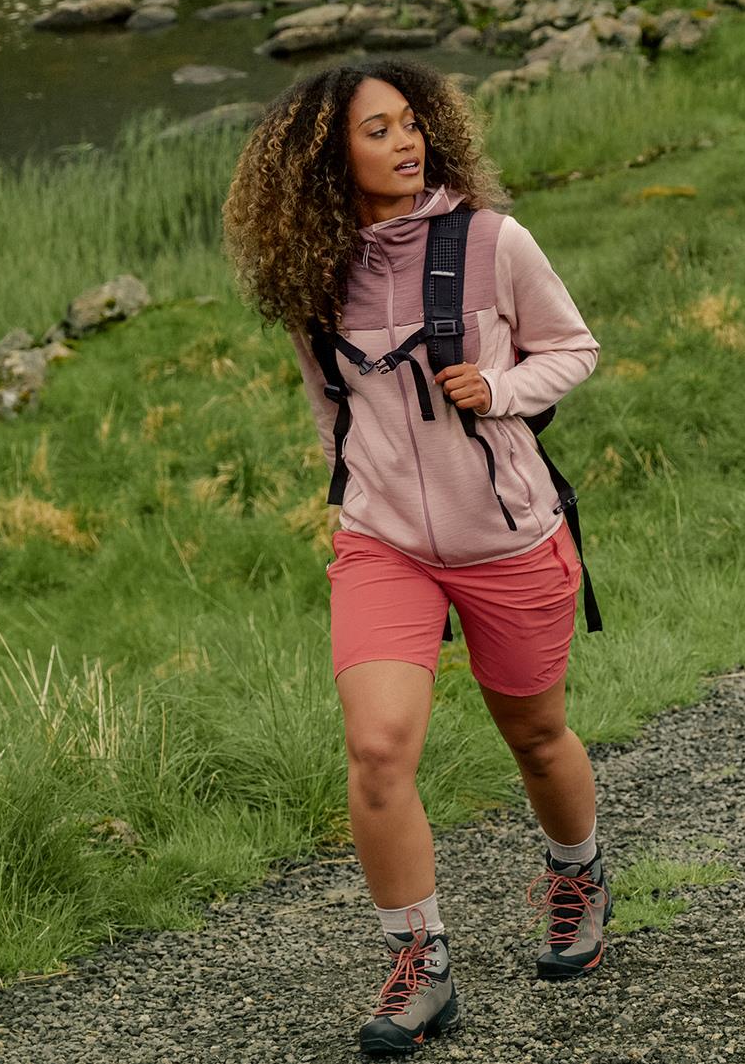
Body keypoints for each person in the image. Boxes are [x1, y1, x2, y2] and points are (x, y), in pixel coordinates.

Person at [221, 58, 608, 1057]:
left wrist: (504, 389)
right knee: (378, 751)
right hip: (382, 545)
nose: (406, 142)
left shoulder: (492, 243)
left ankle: (577, 873)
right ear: (326, 158)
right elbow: (330, 409)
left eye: (411, 124)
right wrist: (357, 501)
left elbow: (574, 348)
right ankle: (420, 965)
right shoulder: (315, 273)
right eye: (378, 129)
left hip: (507, 535)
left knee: (536, 734)